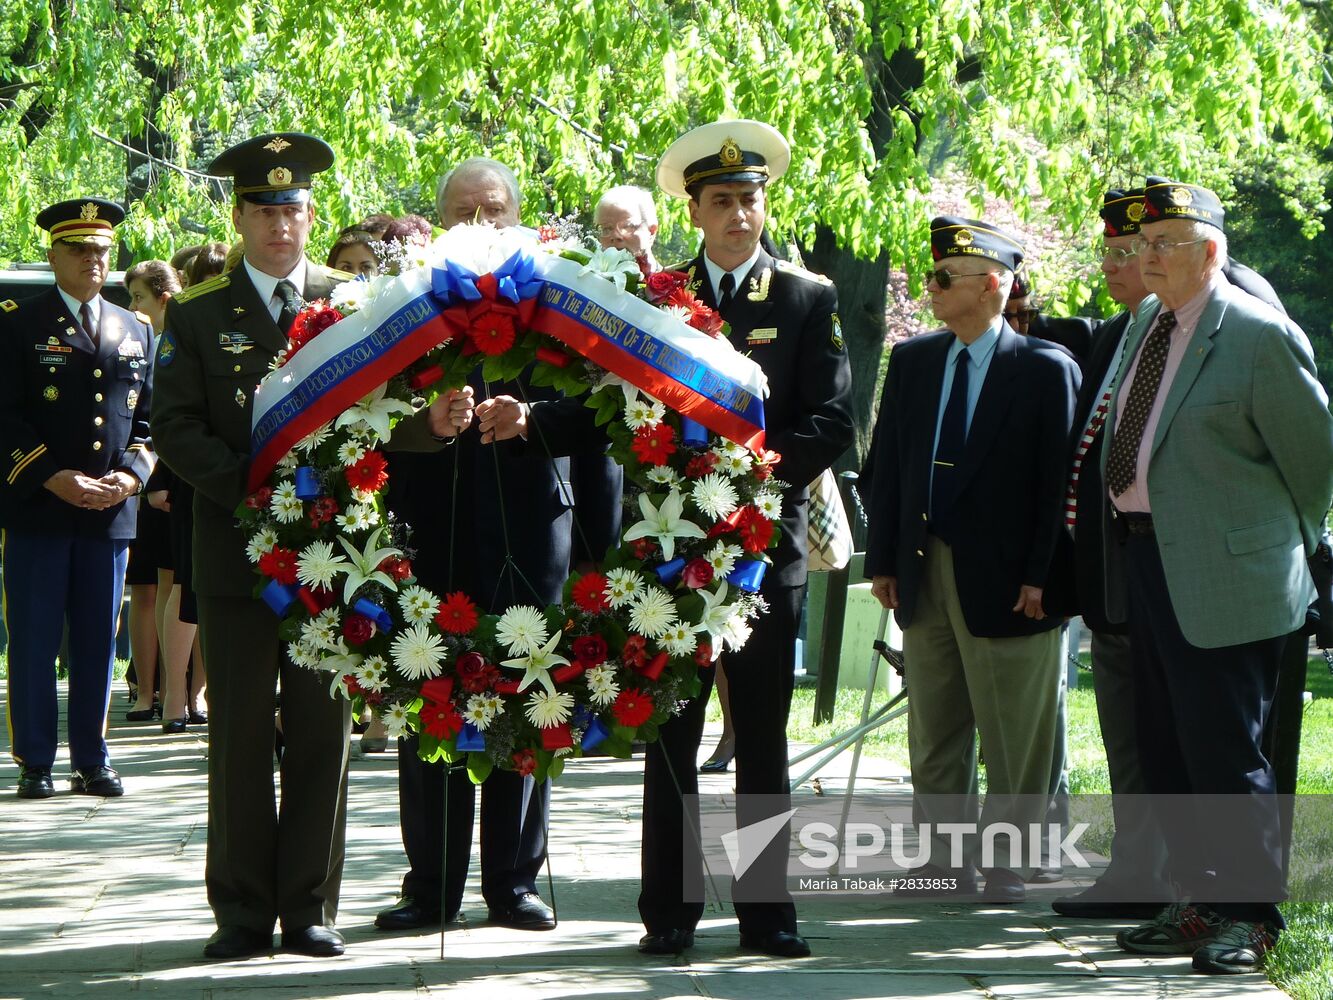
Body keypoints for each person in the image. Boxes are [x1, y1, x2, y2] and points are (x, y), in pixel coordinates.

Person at [152, 132, 461, 960]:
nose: (279, 225)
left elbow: (390, 417)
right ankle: (244, 913)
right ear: (241, 216)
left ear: (310, 213)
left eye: (292, 209)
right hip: (238, 551)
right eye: (263, 210)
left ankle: (310, 906)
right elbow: (175, 427)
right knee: (242, 735)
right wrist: (251, 490)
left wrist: (431, 427)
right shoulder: (198, 311)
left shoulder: (356, 301)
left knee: (324, 734)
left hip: (338, 557)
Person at [1099, 178, 1333, 975]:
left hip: (1231, 576)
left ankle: (1250, 916)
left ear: (1209, 251)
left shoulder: (1258, 335)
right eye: (1139, 243)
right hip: (1146, 560)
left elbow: (1313, 466)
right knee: (1167, 749)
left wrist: (1295, 562)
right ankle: (1197, 901)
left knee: (1227, 753)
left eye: (1163, 241)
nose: (1144, 255)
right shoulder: (1145, 327)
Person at [633, 118, 853, 957]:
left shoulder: (805, 298)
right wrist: (529, 418)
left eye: (749, 199)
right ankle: (669, 913)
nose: (738, 215)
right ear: (693, 210)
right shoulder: (654, 301)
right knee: (670, 736)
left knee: (759, 738)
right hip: (671, 551)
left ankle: (766, 915)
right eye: (720, 201)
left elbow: (832, 422)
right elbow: (612, 410)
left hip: (765, 545)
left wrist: (750, 478)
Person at [372, 156, 567, 937]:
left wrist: (534, 415)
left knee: (529, 693)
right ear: (439, 218)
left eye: (494, 211)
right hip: (432, 521)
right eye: (463, 211)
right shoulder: (402, 298)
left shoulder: (560, 292)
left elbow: (599, 408)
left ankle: (514, 881)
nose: (480, 225)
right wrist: (425, 422)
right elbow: (369, 412)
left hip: (531, 520)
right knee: (430, 692)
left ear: (517, 218)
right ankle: (432, 883)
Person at [865, 216, 1079, 904]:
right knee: (934, 725)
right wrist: (886, 560)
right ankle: (941, 861)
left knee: (1016, 731)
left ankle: (1008, 863)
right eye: (929, 275)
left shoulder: (1045, 368)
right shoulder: (914, 361)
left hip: (1014, 583)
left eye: (942, 278)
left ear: (992, 285)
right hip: (926, 571)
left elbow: (1060, 486)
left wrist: (1042, 574)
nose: (928, 287)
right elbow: (888, 470)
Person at [1043, 188, 1171, 919]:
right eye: (1111, 253)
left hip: (1160, 572)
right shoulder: (1114, 335)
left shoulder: (1177, 331)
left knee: (1164, 736)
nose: (1115, 266)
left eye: (1131, 252)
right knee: (1124, 733)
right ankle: (1135, 872)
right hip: (1109, 573)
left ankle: (1181, 882)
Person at [0, 198, 155, 799]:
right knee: (36, 638)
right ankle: (35, 759)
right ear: (54, 254)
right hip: (39, 505)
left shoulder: (133, 326)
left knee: (97, 639)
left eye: (102, 251)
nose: (93, 261)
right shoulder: (15, 321)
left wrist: (132, 477)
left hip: (109, 510)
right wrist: (51, 476)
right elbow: (5, 417)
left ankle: (92, 757)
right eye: (79, 250)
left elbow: (150, 421)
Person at [122, 260, 182, 722]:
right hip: (145, 482)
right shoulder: (142, 343)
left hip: (167, 481)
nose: (132, 307)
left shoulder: (176, 340)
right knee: (150, 588)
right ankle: (149, 688)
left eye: (139, 297)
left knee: (174, 586)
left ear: (164, 296)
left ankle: (174, 691)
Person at [594, 184, 660, 273]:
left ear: (651, 231)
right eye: (606, 229)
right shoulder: (583, 282)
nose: (616, 235)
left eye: (627, 226)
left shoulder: (679, 284)